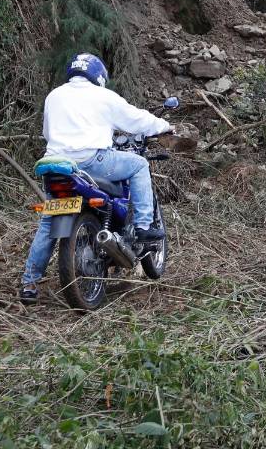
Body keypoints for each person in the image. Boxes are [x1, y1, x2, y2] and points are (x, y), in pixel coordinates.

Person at [19, 53, 173, 304]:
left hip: (56, 167)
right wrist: (164, 126)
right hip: (91, 162)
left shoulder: (54, 96)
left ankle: (29, 283)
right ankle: (144, 228)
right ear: (99, 75)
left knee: (48, 224)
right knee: (139, 165)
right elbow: (137, 120)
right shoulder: (102, 96)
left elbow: (48, 133)